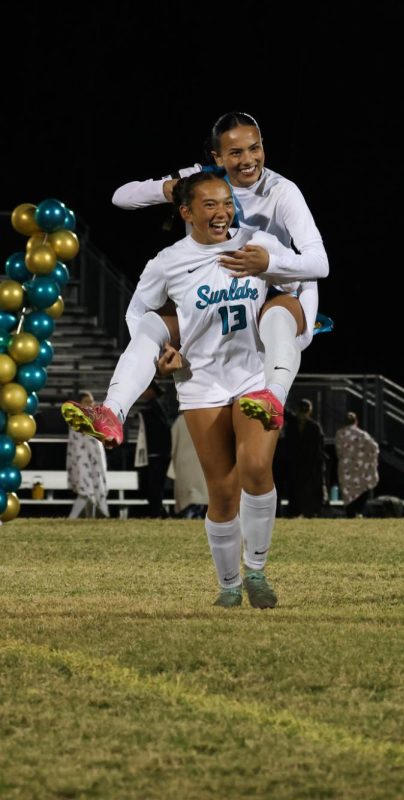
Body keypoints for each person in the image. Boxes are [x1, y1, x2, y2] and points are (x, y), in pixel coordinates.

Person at [70, 172, 324, 607]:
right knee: (221, 492)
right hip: (200, 379)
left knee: (256, 470)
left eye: (226, 202)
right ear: (186, 212)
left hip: (253, 377)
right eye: (209, 205)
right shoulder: (168, 261)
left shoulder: (256, 242)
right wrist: (164, 354)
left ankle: (257, 573)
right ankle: (227, 586)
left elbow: (307, 276)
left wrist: (294, 317)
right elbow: (137, 315)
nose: (222, 212)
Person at [65, 111, 328, 446]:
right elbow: (121, 197)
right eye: (235, 153)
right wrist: (172, 189)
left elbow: (318, 264)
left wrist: (271, 268)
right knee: (151, 324)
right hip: (212, 294)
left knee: (276, 317)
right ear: (217, 157)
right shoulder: (200, 181)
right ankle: (113, 413)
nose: (248, 160)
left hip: (269, 292)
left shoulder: (281, 192)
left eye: (255, 148)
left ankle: (273, 396)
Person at [65, 392, 109, 519]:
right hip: (83, 460)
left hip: (92, 460)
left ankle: (92, 518)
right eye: (87, 402)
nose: (91, 404)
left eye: (92, 401)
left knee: (92, 490)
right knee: (87, 491)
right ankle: (72, 519)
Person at [133, 383, 172, 517]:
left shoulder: (155, 405)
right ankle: (157, 510)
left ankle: (157, 511)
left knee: (154, 483)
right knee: (154, 484)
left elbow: (164, 425)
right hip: (159, 452)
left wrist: (142, 414)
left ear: (151, 390)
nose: (142, 393)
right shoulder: (156, 405)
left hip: (157, 452)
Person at [283, 398, 326, 517]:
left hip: (308, 463)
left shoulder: (314, 427)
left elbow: (317, 449)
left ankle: (309, 511)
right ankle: (295, 511)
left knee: (307, 489)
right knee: (295, 488)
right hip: (295, 462)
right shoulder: (292, 424)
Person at [335, 412, 380, 518]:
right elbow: (374, 448)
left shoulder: (339, 434)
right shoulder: (362, 434)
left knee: (348, 491)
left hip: (346, 468)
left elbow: (339, 452)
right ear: (356, 421)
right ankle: (359, 512)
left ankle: (350, 513)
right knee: (362, 489)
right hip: (362, 469)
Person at [170, 413, 207, 518]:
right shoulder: (210, 416)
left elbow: (172, 444)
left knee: (191, 494)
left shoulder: (181, 420)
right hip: (203, 462)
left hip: (184, 462)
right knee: (202, 493)